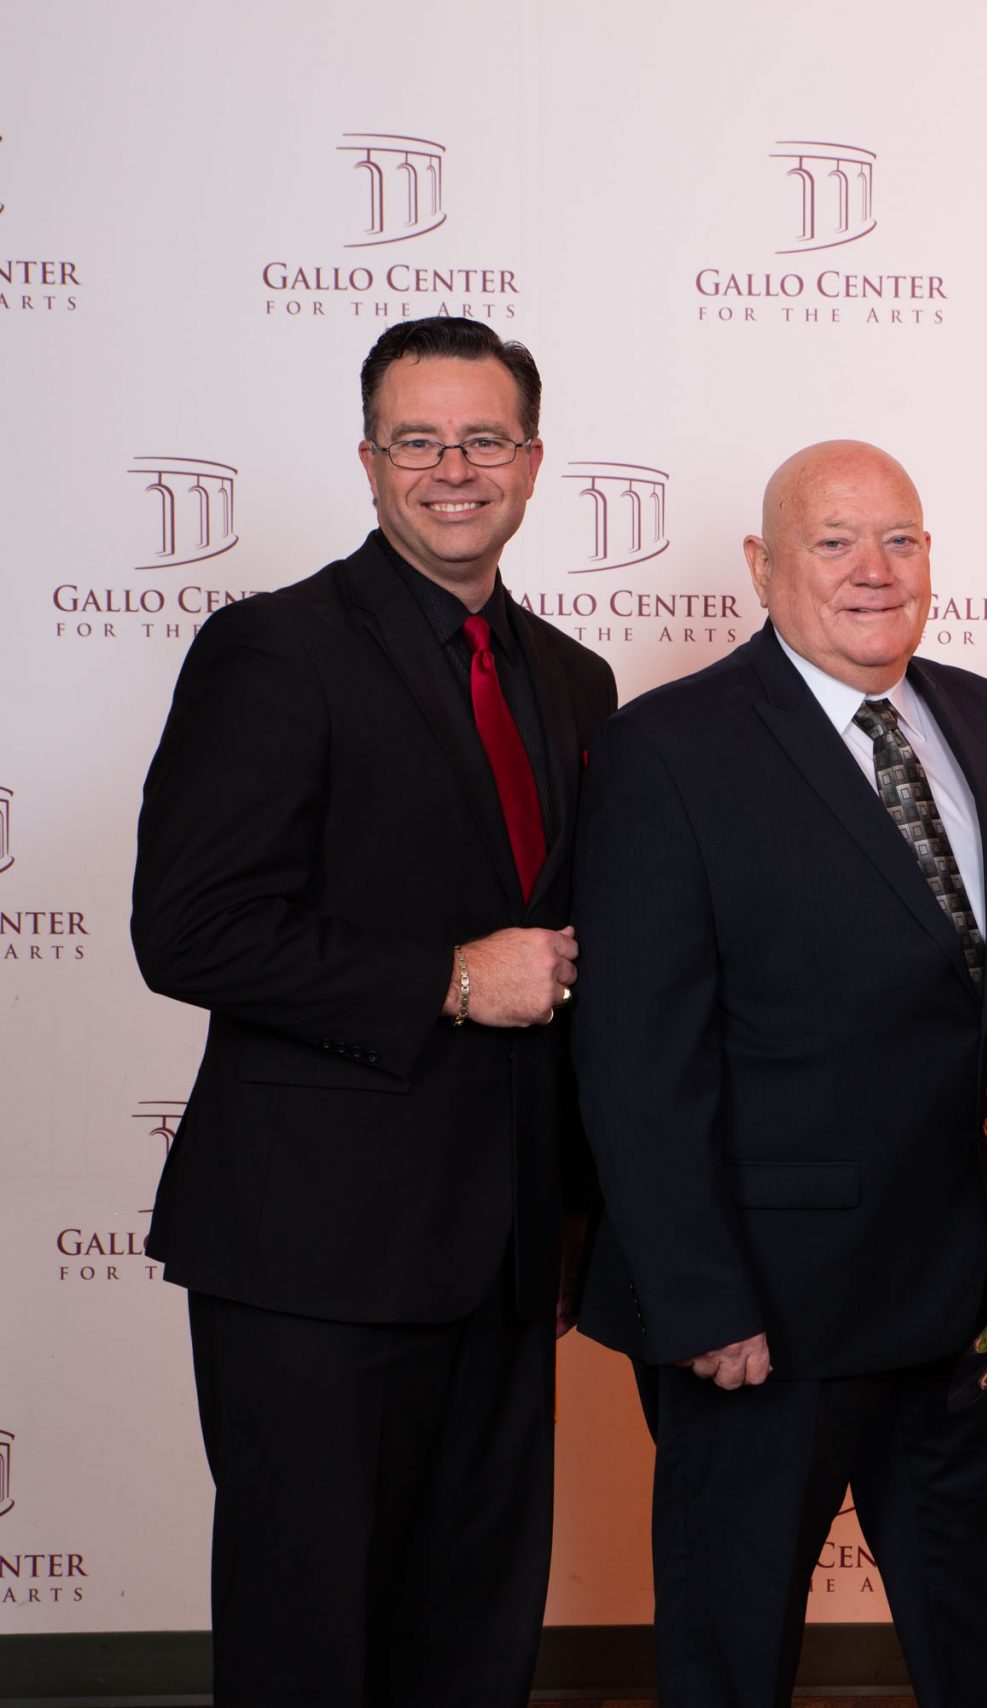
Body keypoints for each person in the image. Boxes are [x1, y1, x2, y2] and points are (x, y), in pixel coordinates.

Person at [130, 316, 616, 1704]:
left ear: (532, 462)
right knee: (311, 1644)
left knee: (474, 1642)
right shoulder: (274, 650)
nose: (453, 470)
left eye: (483, 440)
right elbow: (190, 927)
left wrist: (580, 1213)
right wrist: (450, 978)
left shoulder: (574, 680)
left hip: (510, 1257)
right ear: (368, 461)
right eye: (419, 441)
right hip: (314, 1258)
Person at [571, 441, 987, 1708]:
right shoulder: (666, 748)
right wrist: (697, 1298)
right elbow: (638, 1058)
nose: (873, 570)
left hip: (977, 1304)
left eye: (900, 539)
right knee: (729, 1661)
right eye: (834, 541)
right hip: (769, 1313)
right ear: (762, 564)